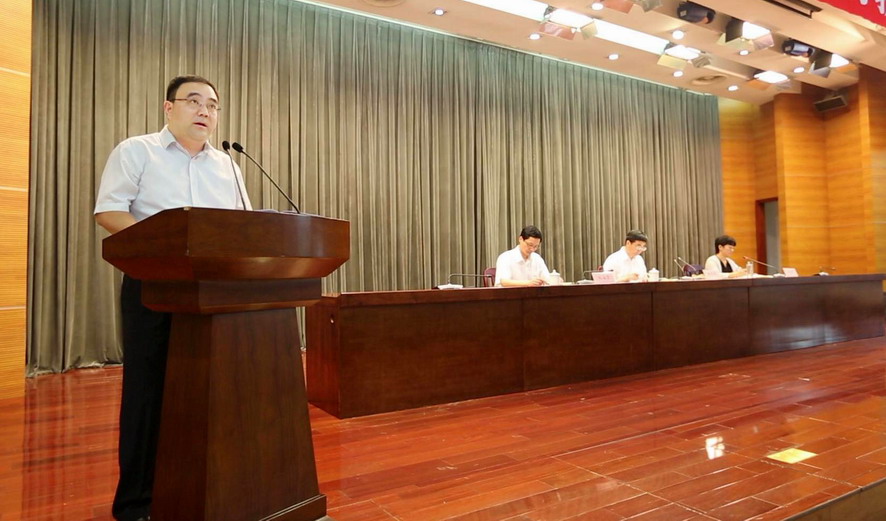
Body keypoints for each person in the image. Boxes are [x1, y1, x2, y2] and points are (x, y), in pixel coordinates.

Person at [94, 75, 251, 521]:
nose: (205, 111)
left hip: (215, 291)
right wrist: (166, 248)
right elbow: (109, 211)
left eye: (213, 105)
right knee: (148, 393)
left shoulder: (228, 165)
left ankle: (209, 487)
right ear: (169, 108)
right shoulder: (136, 151)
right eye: (194, 101)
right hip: (155, 285)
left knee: (210, 390)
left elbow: (244, 226)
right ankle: (137, 503)